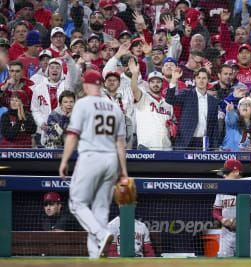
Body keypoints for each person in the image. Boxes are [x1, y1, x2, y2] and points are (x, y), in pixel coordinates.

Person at [59, 70, 128, 259]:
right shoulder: (114, 107)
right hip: (111, 160)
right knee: (100, 209)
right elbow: (120, 143)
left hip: (91, 156)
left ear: (87, 85)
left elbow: (72, 135)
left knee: (76, 203)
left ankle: (101, 234)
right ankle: (95, 254)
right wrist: (123, 170)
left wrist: (64, 161)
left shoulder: (83, 104)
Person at [212, 158, 251, 257]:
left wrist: (243, 220)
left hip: (245, 233)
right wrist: (222, 219)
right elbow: (216, 211)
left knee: (244, 262)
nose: (224, 176)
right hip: (226, 234)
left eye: (226, 173)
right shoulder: (221, 189)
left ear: (236, 172)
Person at [166, 67, 219, 150]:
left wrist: (215, 147)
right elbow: (170, 99)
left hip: (204, 143)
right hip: (185, 142)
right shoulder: (186, 94)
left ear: (208, 80)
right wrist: (173, 80)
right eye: (198, 78)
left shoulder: (213, 101)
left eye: (204, 78)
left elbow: (214, 126)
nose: (201, 81)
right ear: (194, 79)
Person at [129, 58, 175, 151]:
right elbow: (134, 90)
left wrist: (172, 125)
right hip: (146, 147)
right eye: (152, 82)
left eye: (158, 82)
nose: (155, 84)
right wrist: (134, 74)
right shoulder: (143, 97)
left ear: (162, 84)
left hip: (166, 148)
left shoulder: (168, 104)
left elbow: (172, 124)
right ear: (148, 84)